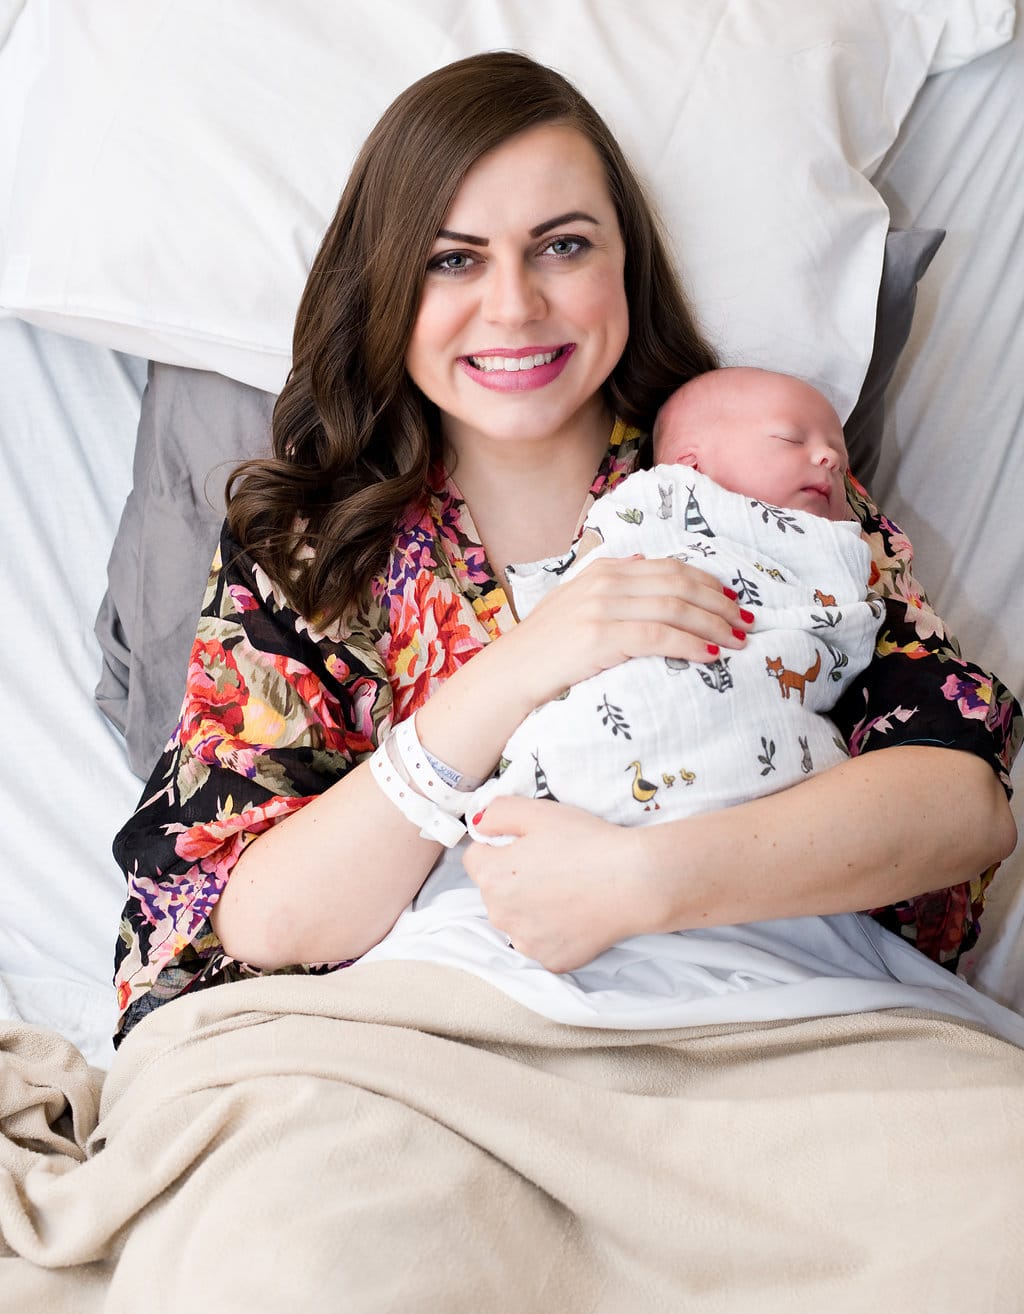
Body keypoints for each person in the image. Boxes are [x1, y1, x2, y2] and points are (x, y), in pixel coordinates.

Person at [112, 50, 1017, 1033]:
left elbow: (957, 804)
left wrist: (641, 879)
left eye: (561, 247)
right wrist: (523, 666)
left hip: (769, 1017)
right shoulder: (313, 551)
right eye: (452, 258)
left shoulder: (762, 486)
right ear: (387, 292)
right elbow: (256, 918)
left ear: (627, 263)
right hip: (430, 1047)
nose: (513, 306)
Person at [463, 365, 884, 835]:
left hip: (766, 791)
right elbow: (580, 584)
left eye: (841, 459)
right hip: (614, 731)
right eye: (789, 439)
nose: (828, 457)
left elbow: (853, 628)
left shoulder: (842, 540)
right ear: (689, 466)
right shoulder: (663, 497)